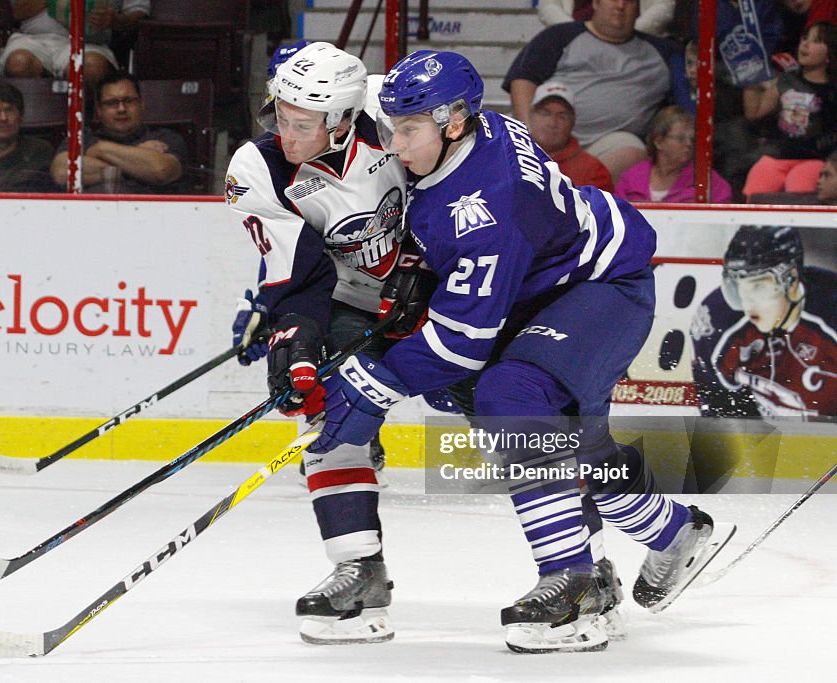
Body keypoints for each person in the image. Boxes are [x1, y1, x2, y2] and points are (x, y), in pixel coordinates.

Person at [314, 49, 732, 653]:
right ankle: (673, 531)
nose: (394, 144)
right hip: (543, 290)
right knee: (568, 445)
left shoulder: (488, 211)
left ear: (453, 122)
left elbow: (459, 346)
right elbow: (380, 97)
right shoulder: (469, 126)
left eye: (406, 131)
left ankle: (574, 582)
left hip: (601, 287)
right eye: (393, 127)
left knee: (507, 400)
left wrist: (369, 385)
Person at [224, 42, 419, 645]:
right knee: (327, 412)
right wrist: (295, 337)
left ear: (342, 118)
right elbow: (300, 274)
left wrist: (427, 270)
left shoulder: (398, 112)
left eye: (301, 124)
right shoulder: (257, 167)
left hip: (447, 289)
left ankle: (584, 565)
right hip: (349, 299)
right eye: (279, 116)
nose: (284, 132)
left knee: (511, 414)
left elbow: (469, 182)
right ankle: (359, 569)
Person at [503, 0, 676, 180]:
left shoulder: (663, 52)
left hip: (606, 145)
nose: (620, 6)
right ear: (595, 3)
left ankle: (571, 194)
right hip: (548, 135)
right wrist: (528, 131)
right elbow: (523, 79)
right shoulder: (559, 35)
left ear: (638, 7)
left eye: (629, 1)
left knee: (632, 153)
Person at [691, 225, 837, 417]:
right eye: (738, 285)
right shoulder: (719, 323)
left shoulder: (830, 310)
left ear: (791, 280)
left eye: (758, 286)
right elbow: (719, 409)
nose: (747, 300)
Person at [742, 21, 837, 199]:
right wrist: (750, 80)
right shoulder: (785, 80)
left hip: (814, 160)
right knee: (756, 187)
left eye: (816, 41)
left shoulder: (833, 90)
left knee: (799, 189)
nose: (805, 44)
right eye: (804, 38)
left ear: (829, 55)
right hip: (777, 156)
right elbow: (754, 113)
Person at [50, 70, 186, 194]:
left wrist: (99, 150)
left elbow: (161, 171)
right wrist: (137, 161)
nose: (121, 109)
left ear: (142, 104)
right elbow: (61, 172)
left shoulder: (165, 137)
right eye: (111, 103)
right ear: (99, 110)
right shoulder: (82, 138)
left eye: (128, 101)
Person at [0, 0, 149, 91]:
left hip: (89, 42)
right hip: (33, 39)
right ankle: (32, 133)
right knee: (19, 63)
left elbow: (138, 14)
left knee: (91, 68)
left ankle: (89, 133)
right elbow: (15, 12)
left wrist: (115, 20)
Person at [615, 105, 732, 202]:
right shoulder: (631, 178)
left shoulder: (706, 180)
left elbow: (724, 217)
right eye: (681, 138)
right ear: (659, 141)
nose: (688, 144)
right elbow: (616, 216)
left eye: (692, 139)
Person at [527, 81, 613, 192]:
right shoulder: (506, 158)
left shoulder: (593, 170)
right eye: (545, 113)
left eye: (562, 116)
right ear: (530, 116)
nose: (552, 123)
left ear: (572, 122)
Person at [536, 0, 677, 37]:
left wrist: (628, 34)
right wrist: (577, 34)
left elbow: (663, 7)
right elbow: (547, 6)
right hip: (573, 40)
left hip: (637, 43)